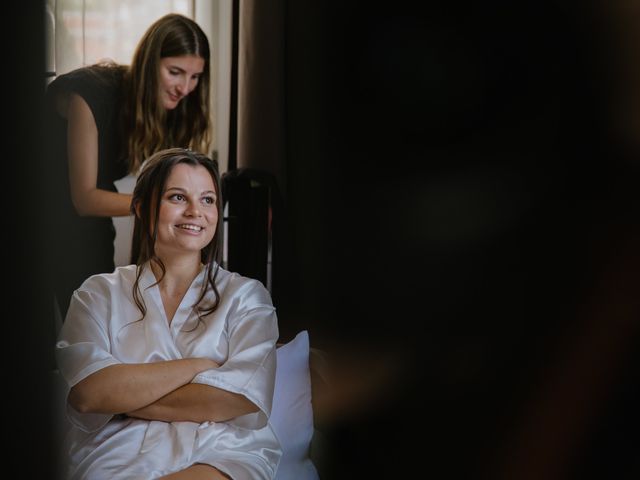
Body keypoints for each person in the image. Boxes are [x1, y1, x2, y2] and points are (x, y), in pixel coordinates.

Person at [55, 148, 282, 479]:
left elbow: (236, 400)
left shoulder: (247, 298)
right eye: (178, 197)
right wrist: (199, 366)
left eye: (208, 200)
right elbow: (89, 394)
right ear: (142, 208)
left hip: (219, 451)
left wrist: (121, 400)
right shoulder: (98, 293)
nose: (195, 211)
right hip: (114, 453)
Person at [45, 13, 212, 317]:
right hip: (37, 205)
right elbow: (84, 198)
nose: (185, 87)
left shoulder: (173, 109)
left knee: (96, 322)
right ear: (150, 64)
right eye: (175, 72)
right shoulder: (92, 95)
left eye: (195, 76)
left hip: (87, 227)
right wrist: (154, 204)